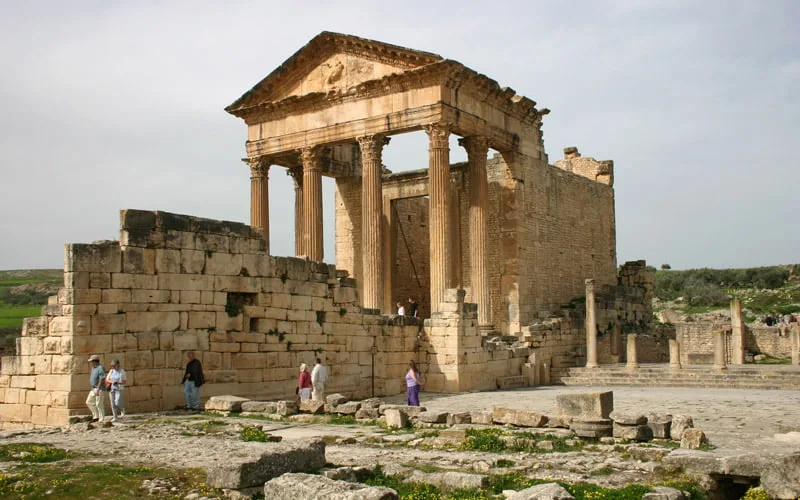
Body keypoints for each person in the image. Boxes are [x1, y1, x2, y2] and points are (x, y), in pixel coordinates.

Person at [86, 354, 106, 422]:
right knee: (89, 402)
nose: (91, 363)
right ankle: (95, 416)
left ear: (95, 361)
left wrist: (98, 388)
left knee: (99, 404)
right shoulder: (93, 368)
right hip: (93, 388)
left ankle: (101, 418)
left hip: (99, 388)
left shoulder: (100, 367)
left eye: (91, 361)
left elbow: (102, 378)